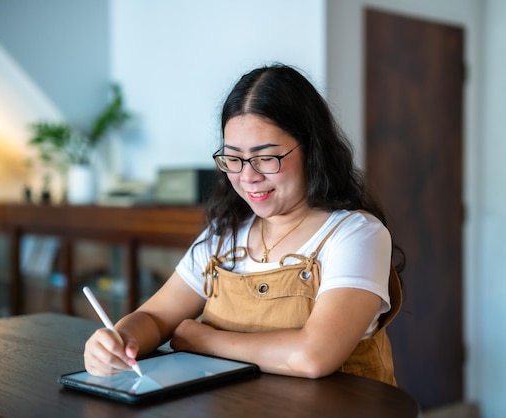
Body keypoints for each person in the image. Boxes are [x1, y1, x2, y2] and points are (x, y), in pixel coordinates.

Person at [84, 63, 404, 386]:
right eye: (233, 158)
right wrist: (118, 341)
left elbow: (314, 355)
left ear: (311, 150)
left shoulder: (356, 235)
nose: (248, 176)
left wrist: (204, 341)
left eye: (266, 157)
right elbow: (154, 318)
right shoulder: (225, 234)